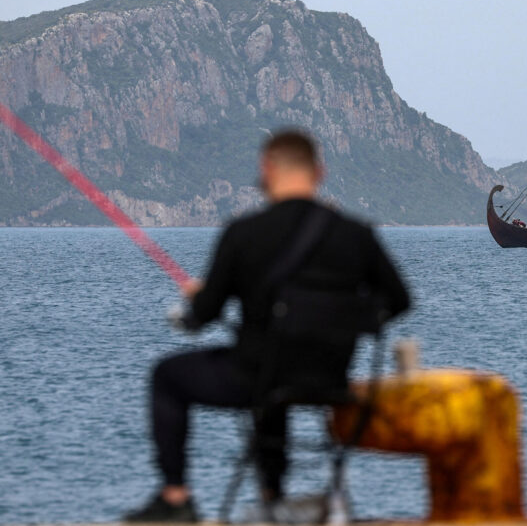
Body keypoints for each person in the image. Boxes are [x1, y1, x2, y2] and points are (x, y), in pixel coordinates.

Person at [125, 129, 411, 522]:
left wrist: (197, 299)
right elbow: (400, 300)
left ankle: (176, 498)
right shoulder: (356, 235)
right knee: (273, 367)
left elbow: (204, 316)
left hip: (257, 378)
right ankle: (271, 494)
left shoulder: (243, 234)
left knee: (169, 375)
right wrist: (350, 317)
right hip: (330, 379)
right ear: (320, 172)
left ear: (267, 169)